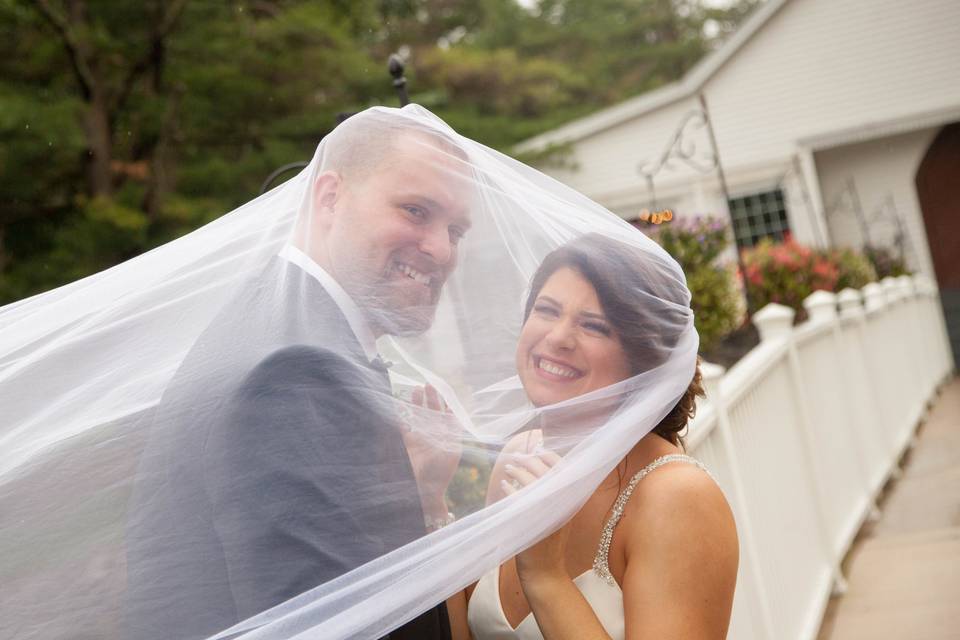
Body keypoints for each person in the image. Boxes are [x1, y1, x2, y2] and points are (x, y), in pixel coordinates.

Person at [123, 110, 472, 640]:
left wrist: (418, 495)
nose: (442, 249)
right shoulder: (297, 369)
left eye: (456, 230)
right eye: (415, 210)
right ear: (330, 197)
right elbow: (325, 623)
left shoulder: (279, 321)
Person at [457, 235, 739, 640]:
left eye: (594, 326)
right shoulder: (518, 460)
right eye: (546, 310)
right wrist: (429, 501)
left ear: (641, 359)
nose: (557, 337)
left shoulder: (676, 496)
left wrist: (546, 577)